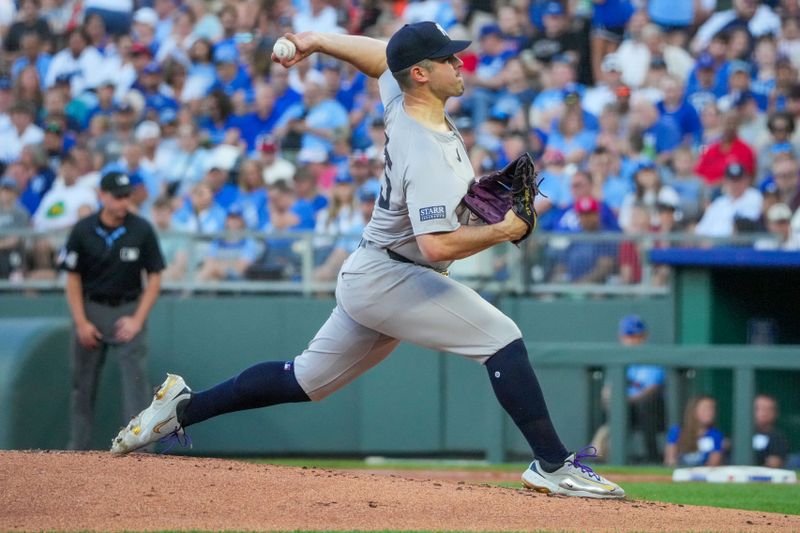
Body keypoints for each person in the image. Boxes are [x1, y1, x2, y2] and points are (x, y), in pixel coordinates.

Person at [109, 21, 624, 500]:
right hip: (395, 274)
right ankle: (553, 465)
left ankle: (183, 408)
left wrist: (315, 38)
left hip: (376, 269)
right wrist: (505, 229)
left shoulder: (405, 97)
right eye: (449, 59)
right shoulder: (424, 149)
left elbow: (383, 55)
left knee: (304, 380)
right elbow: (436, 247)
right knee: (502, 339)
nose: (460, 64)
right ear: (422, 73)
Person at [61, 170, 165, 450]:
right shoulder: (83, 229)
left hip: (129, 308)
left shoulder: (141, 229)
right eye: (117, 196)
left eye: (126, 196)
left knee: (136, 384)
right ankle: (77, 450)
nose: (122, 202)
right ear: (102, 195)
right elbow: (72, 277)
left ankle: (142, 451)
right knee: (82, 386)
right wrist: (81, 322)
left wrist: (138, 319)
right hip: (92, 308)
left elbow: (155, 275)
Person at [664, 395, 725, 467]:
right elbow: (670, 460)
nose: (710, 413)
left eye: (712, 409)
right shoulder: (677, 431)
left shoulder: (716, 435)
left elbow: (713, 464)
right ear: (693, 411)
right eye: (705, 409)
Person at [752, 394, 791, 468]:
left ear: (775, 413)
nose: (764, 413)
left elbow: (774, 465)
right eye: (758, 409)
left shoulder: (778, 437)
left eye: (768, 409)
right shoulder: (740, 434)